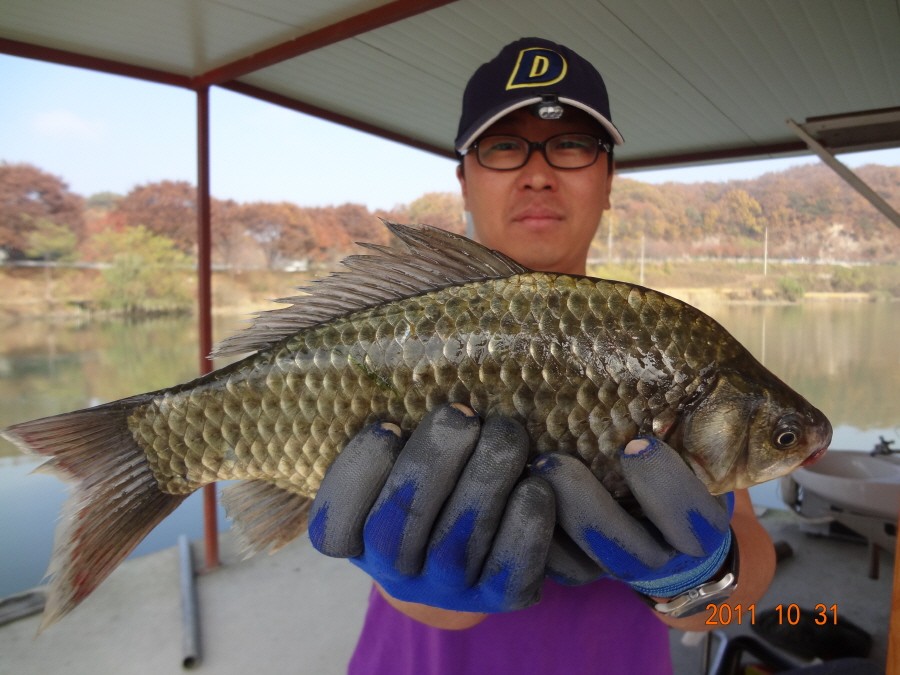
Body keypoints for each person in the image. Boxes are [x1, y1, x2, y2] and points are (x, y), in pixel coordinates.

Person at [309, 37, 776, 674]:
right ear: (464, 180)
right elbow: (432, 605)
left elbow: (740, 592)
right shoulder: (397, 321)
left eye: (572, 144)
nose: (537, 173)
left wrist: (704, 583)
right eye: (504, 146)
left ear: (608, 180)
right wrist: (416, 587)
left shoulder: (672, 352)